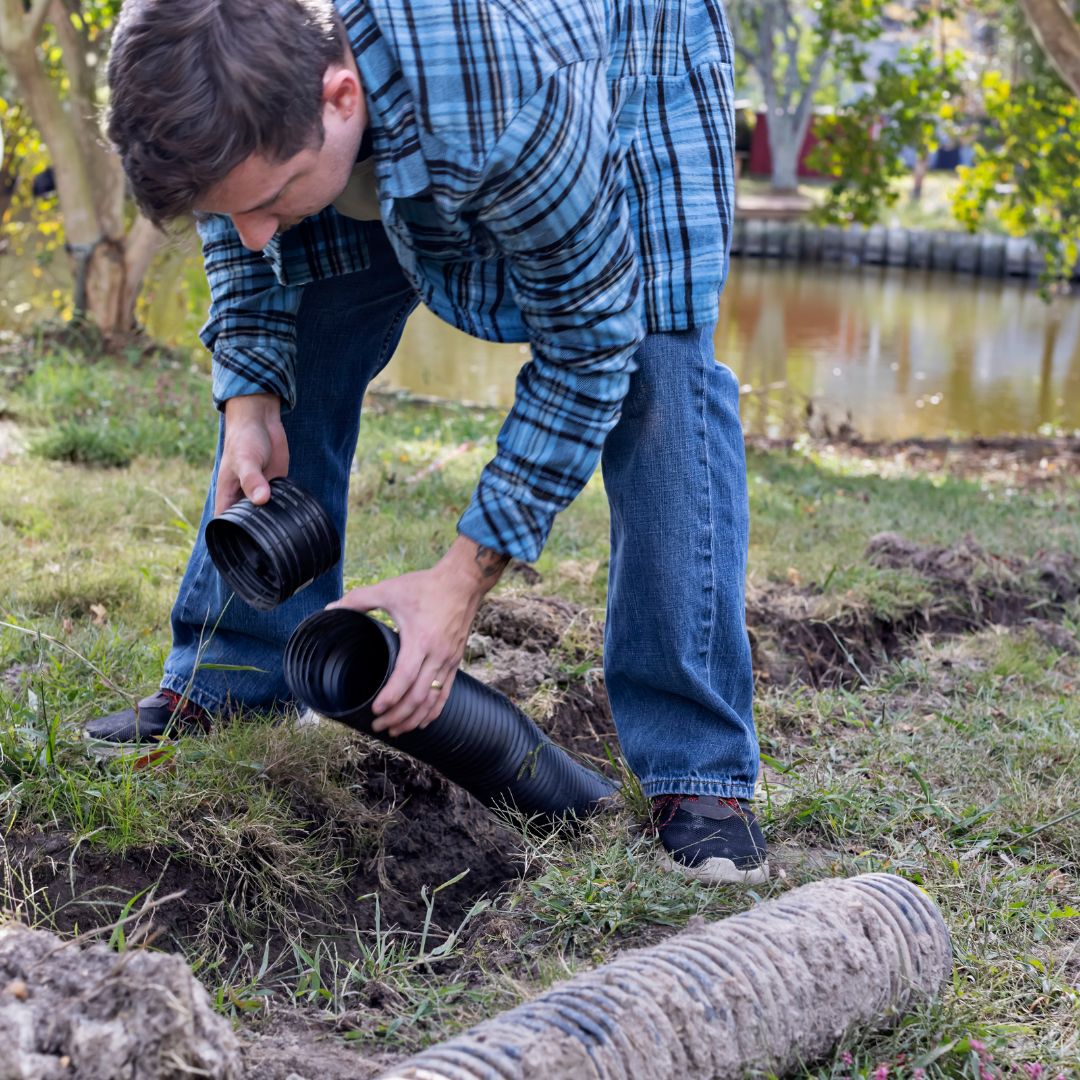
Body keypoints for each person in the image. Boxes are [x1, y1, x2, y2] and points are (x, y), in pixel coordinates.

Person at [94, 0, 767, 884]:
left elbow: (588, 344)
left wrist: (459, 582)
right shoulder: (213, 44)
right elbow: (235, 218)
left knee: (658, 371)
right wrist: (249, 396)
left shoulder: (518, 93)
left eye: (267, 200)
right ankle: (237, 674)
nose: (255, 229)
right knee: (305, 322)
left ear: (338, 96)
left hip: (629, 61)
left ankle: (697, 769)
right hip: (391, 102)